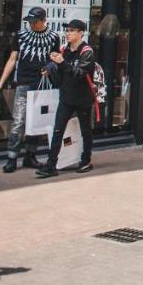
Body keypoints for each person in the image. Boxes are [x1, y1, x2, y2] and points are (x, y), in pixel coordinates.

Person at [0, 6, 57, 173]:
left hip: (42, 82)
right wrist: (0, 82)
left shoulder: (53, 37)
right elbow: (12, 59)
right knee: (19, 120)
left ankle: (30, 155)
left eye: (35, 22)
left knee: (37, 120)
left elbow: (55, 58)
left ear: (43, 21)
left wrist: (49, 67)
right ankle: (12, 157)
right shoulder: (21, 36)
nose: (32, 24)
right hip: (24, 82)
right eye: (30, 22)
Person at [37, 19, 96, 177]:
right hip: (66, 97)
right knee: (58, 130)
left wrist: (62, 63)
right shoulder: (64, 49)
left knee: (85, 131)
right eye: (67, 30)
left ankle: (85, 161)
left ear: (81, 33)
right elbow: (59, 70)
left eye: (72, 30)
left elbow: (79, 74)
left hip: (83, 98)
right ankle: (51, 165)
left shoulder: (87, 52)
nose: (68, 33)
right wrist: (50, 68)